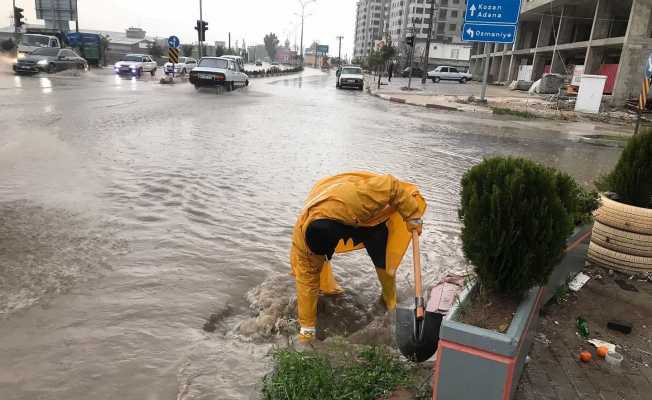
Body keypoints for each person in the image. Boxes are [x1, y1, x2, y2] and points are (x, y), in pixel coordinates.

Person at [290, 172, 427, 344]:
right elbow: (305, 285)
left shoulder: (356, 197)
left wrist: (411, 215)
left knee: (382, 260)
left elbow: (392, 185)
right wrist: (307, 329)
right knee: (311, 276)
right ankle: (381, 302)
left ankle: (389, 300)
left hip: (370, 218)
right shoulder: (303, 246)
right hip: (329, 210)